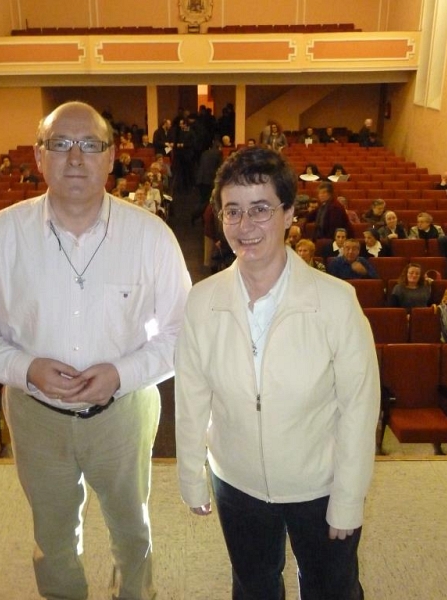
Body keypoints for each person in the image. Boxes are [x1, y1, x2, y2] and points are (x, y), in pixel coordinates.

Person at [0, 101, 191, 600]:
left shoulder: (150, 237)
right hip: (35, 417)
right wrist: (26, 367)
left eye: (90, 145)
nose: (75, 157)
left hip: (124, 413)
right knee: (54, 535)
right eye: (60, 144)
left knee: (132, 528)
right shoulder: (1, 236)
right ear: (40, 157)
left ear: (111, 158)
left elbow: (182, 335)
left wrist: (122, 374)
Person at [175, 146, 379, 600]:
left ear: (289, 213)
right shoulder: (203, 300)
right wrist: (191, 474)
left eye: (261, 209)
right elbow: (191, 396)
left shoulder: (335, 300)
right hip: (237, 480)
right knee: (254, 587)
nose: (245, 226)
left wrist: (348, 497)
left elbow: (359, 407)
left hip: (319, 484)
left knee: (332, 589)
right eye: (233, 211)